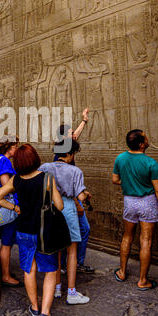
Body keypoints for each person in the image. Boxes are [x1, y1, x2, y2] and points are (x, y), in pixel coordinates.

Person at [0, 144, 63, 316]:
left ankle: (35, 308)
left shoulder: (16, 180)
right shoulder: (47, 178)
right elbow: (60, 205)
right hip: (43, 231)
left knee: (29, 269)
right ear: (35, 159)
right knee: (50, 270)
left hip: (23, 231)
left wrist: (16, 208)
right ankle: (46, 313)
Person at [112, 129, 158, 290]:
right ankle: (143, 280)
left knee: (127, 237)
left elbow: (115, 179)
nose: (148, 139)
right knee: (146, 241)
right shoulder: (150, 163)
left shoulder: (120, 158)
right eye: (146, 137)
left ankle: (122, 272)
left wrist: (129, 183)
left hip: (129, 202)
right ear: (142, 144)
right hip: (148, 202)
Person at [39, 139, 92, 304]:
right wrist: (87, 195)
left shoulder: (46, 167)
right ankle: (71, 292)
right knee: (72, 250)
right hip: (68, 208)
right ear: (69, 154)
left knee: (56, 249)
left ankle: (56, 287)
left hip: (50, 207)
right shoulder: (75, 171)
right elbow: (80, 196)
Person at [54, 108, 94, 274]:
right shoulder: (62, 159)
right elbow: (66, 186)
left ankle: (68, 264)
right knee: (81, 230)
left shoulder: (64, 150)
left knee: (77, 232)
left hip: (70, 200)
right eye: (71, 134)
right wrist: (79, 202)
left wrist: (84, 121)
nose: (74, 135)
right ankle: (71, 263)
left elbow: (76, 134)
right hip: (69, 201)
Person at [0, 135, 23, 287]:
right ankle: (5, 276)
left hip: (4, 205)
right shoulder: (4, 161)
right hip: (8, 205)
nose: (17, 148)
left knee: (6, 241)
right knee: (7, 242)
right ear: (10, 147)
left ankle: (6, 271)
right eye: (16, 145)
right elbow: (6, 185)